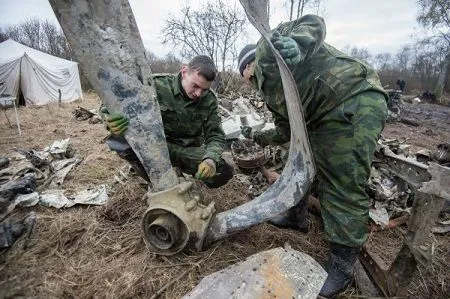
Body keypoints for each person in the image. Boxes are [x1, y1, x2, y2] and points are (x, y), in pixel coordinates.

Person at [238, 15, 388, 297]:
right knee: (299, 165)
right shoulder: (270, 93)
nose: (247, 83)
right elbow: (285, 129)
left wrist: (296, 43)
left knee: (341, 183)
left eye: (244, 76)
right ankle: (297, 217)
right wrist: (259, 137)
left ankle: (342, 266)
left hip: (352, 99)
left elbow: (313, 23)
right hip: (321, 116)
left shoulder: (267, 49)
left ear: (247, 67)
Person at [101, 55, 233, 188]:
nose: (198, 93)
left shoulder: (209, 100)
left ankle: (182, 174)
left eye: (204, 90)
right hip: (155, 146)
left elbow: (216, 135)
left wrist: (210, 159)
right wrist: (108, 119)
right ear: (184, 72)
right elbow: (111, 104)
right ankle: (156, 181)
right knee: (120, 140)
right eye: (195, 86)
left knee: (222, 170)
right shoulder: (155, 85)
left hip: (185, 150)